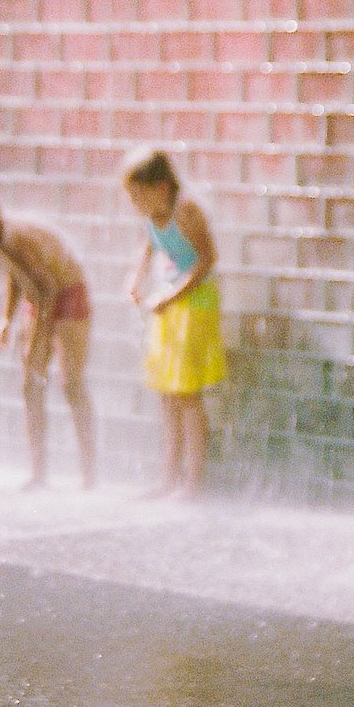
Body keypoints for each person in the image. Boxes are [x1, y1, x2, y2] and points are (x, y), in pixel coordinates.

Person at [0, 190, 96, 490]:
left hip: (67, 296)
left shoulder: (15, 237)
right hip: (40, 298)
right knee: (30, 385)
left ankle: (88, 473)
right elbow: (17, 275)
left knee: (70, 383)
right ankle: (39, 472)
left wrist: (38, 336)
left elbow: (50, 287)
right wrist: (6, 318)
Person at [121, 148, 226, 500]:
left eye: (138, 195)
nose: (134, 203)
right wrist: (135, 280)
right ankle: (168, 478)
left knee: (186, 395)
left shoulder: (186, 211)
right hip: (170, 303)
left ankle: (193, 482)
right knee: (167, 395)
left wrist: (171, 296)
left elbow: (208, 259)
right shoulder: (154, 214)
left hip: (194, 305)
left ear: (162, 187)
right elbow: (148, 249)